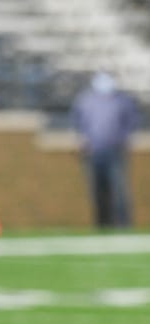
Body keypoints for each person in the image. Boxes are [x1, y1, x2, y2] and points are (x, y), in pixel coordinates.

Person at [70, 70, 138, 228]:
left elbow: (131, 121)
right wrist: (82, 139)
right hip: (93, 152)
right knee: (97, 191)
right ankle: (102, 224)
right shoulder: (85, 100)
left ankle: (123, 224)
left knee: (119, 189)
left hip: (115, 151)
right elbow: (76, 121)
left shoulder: (121, 100)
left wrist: (122, 139)